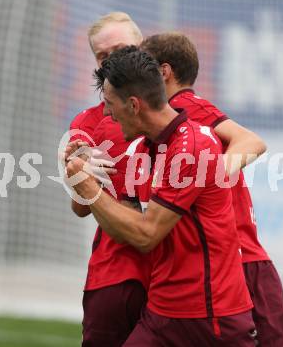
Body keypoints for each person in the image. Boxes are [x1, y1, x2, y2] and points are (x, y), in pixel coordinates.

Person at [66, 46, 257, 346]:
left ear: (133, 105)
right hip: (163, 313)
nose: (106, 113)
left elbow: (145, 234)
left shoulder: (192, 147)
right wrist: (86, 179)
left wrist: (90, 188)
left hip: (210, 320)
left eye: (110, 103)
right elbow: (122, 220)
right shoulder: (143, 148)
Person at [141, 32, 283, 346]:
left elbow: (252, 141)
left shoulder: (185, 108)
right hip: (221, 267)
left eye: (144, 68)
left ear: (164, 72)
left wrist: (206, 179)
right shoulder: (161, 124)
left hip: (242, 262)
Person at [67, 12, 149, 347]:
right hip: (116, 269)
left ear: (143, 48)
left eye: (120, 48)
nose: (112, 59)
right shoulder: (87, 122)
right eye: (102, 55)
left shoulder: (175, 112)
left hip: (175, 272)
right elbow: (80, 207)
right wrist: (78, 175)